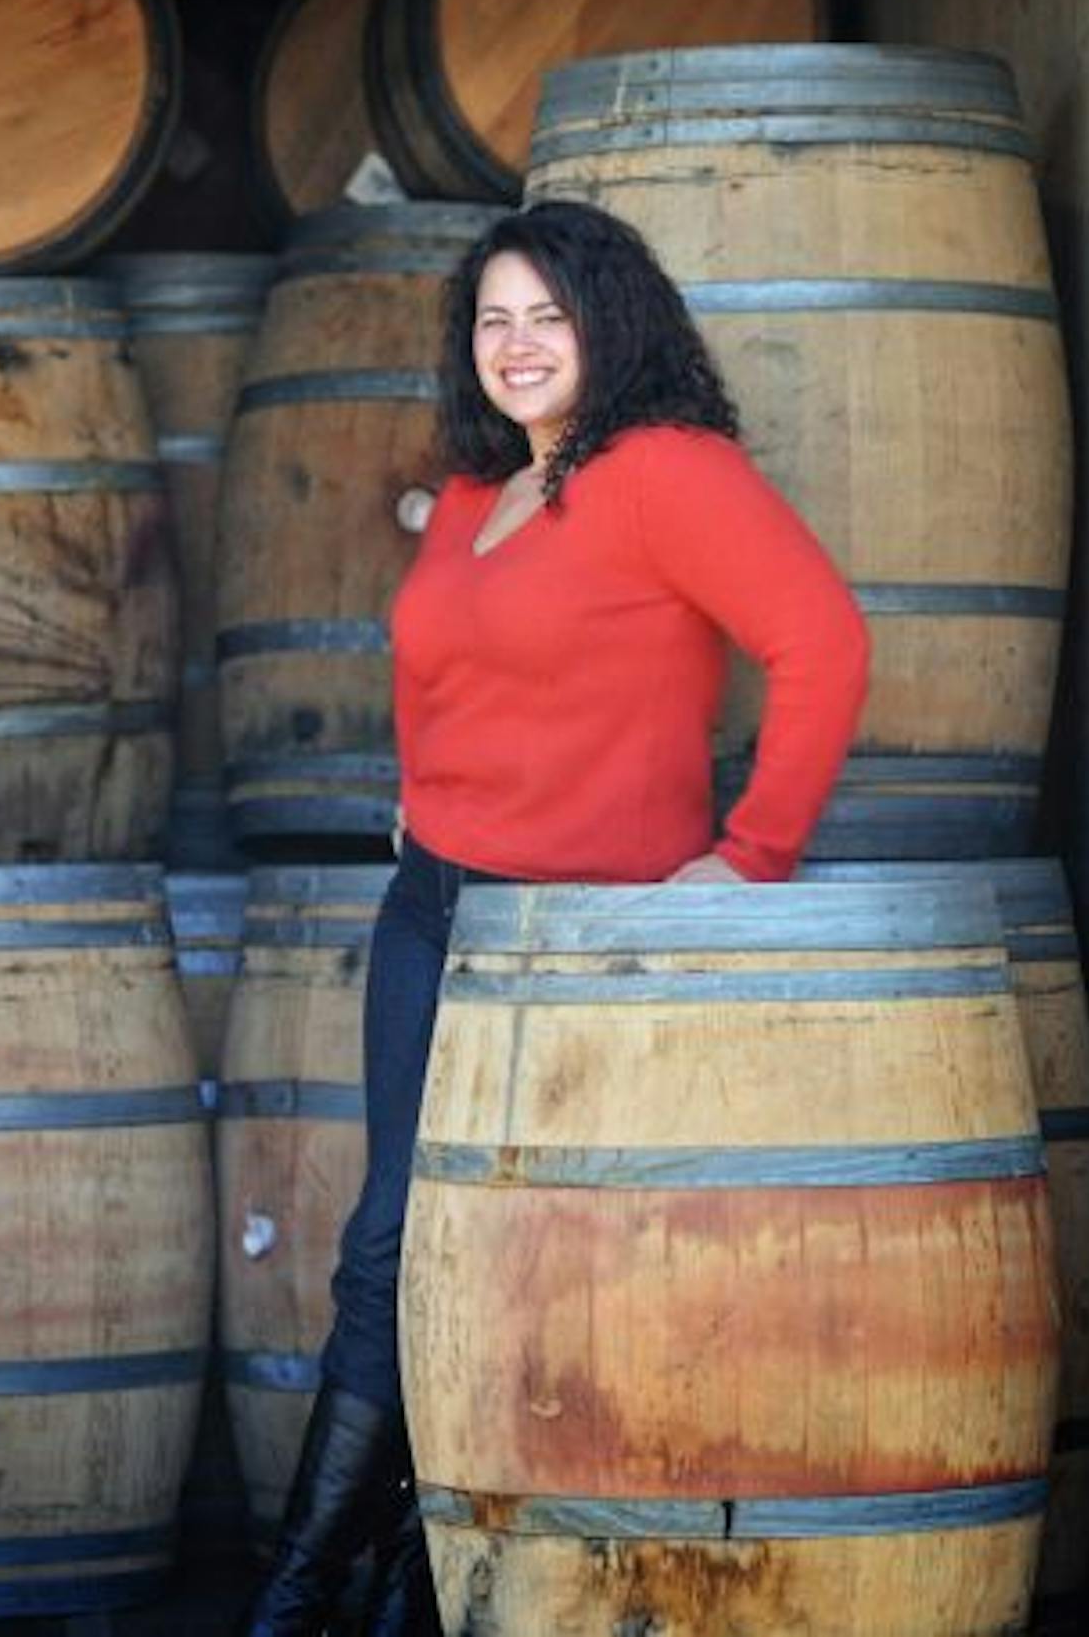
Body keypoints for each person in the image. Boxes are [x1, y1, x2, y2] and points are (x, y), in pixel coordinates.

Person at [238, 200, 870, 1634]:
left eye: (549, 317)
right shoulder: (479, 489)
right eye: (493, 320)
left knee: (488, 1255)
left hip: (575, 941)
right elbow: (430, 653)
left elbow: (824, 640)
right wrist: (419, 784)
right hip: (432, 907)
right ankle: (365, 1579)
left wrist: (753, 854)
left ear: (610, 325)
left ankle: (308, 1595)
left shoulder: (665, 473)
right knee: (390, 1242)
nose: (517, 346)